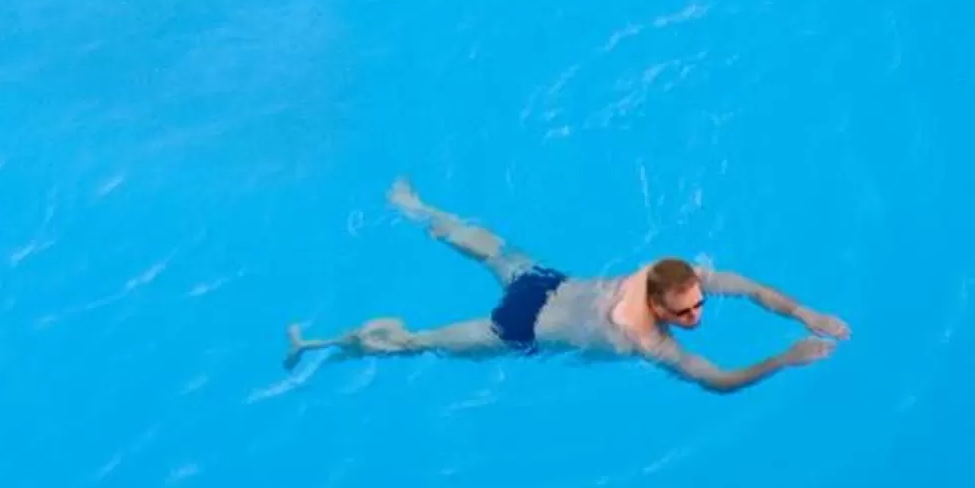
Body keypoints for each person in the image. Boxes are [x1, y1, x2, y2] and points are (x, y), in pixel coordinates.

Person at [285, 179, 847, 395]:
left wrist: (805, 312)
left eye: (697, 304)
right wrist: (785, 358)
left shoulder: (662, 277)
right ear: (657, 304)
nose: (697, 315)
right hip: (520, 326)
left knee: (486, 244)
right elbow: (720, 381)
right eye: (685, 314)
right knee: (420, 341)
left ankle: (411, 207)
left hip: (544, 283)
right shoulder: (645, 340)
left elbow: (749, 288)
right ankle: (317, 344)